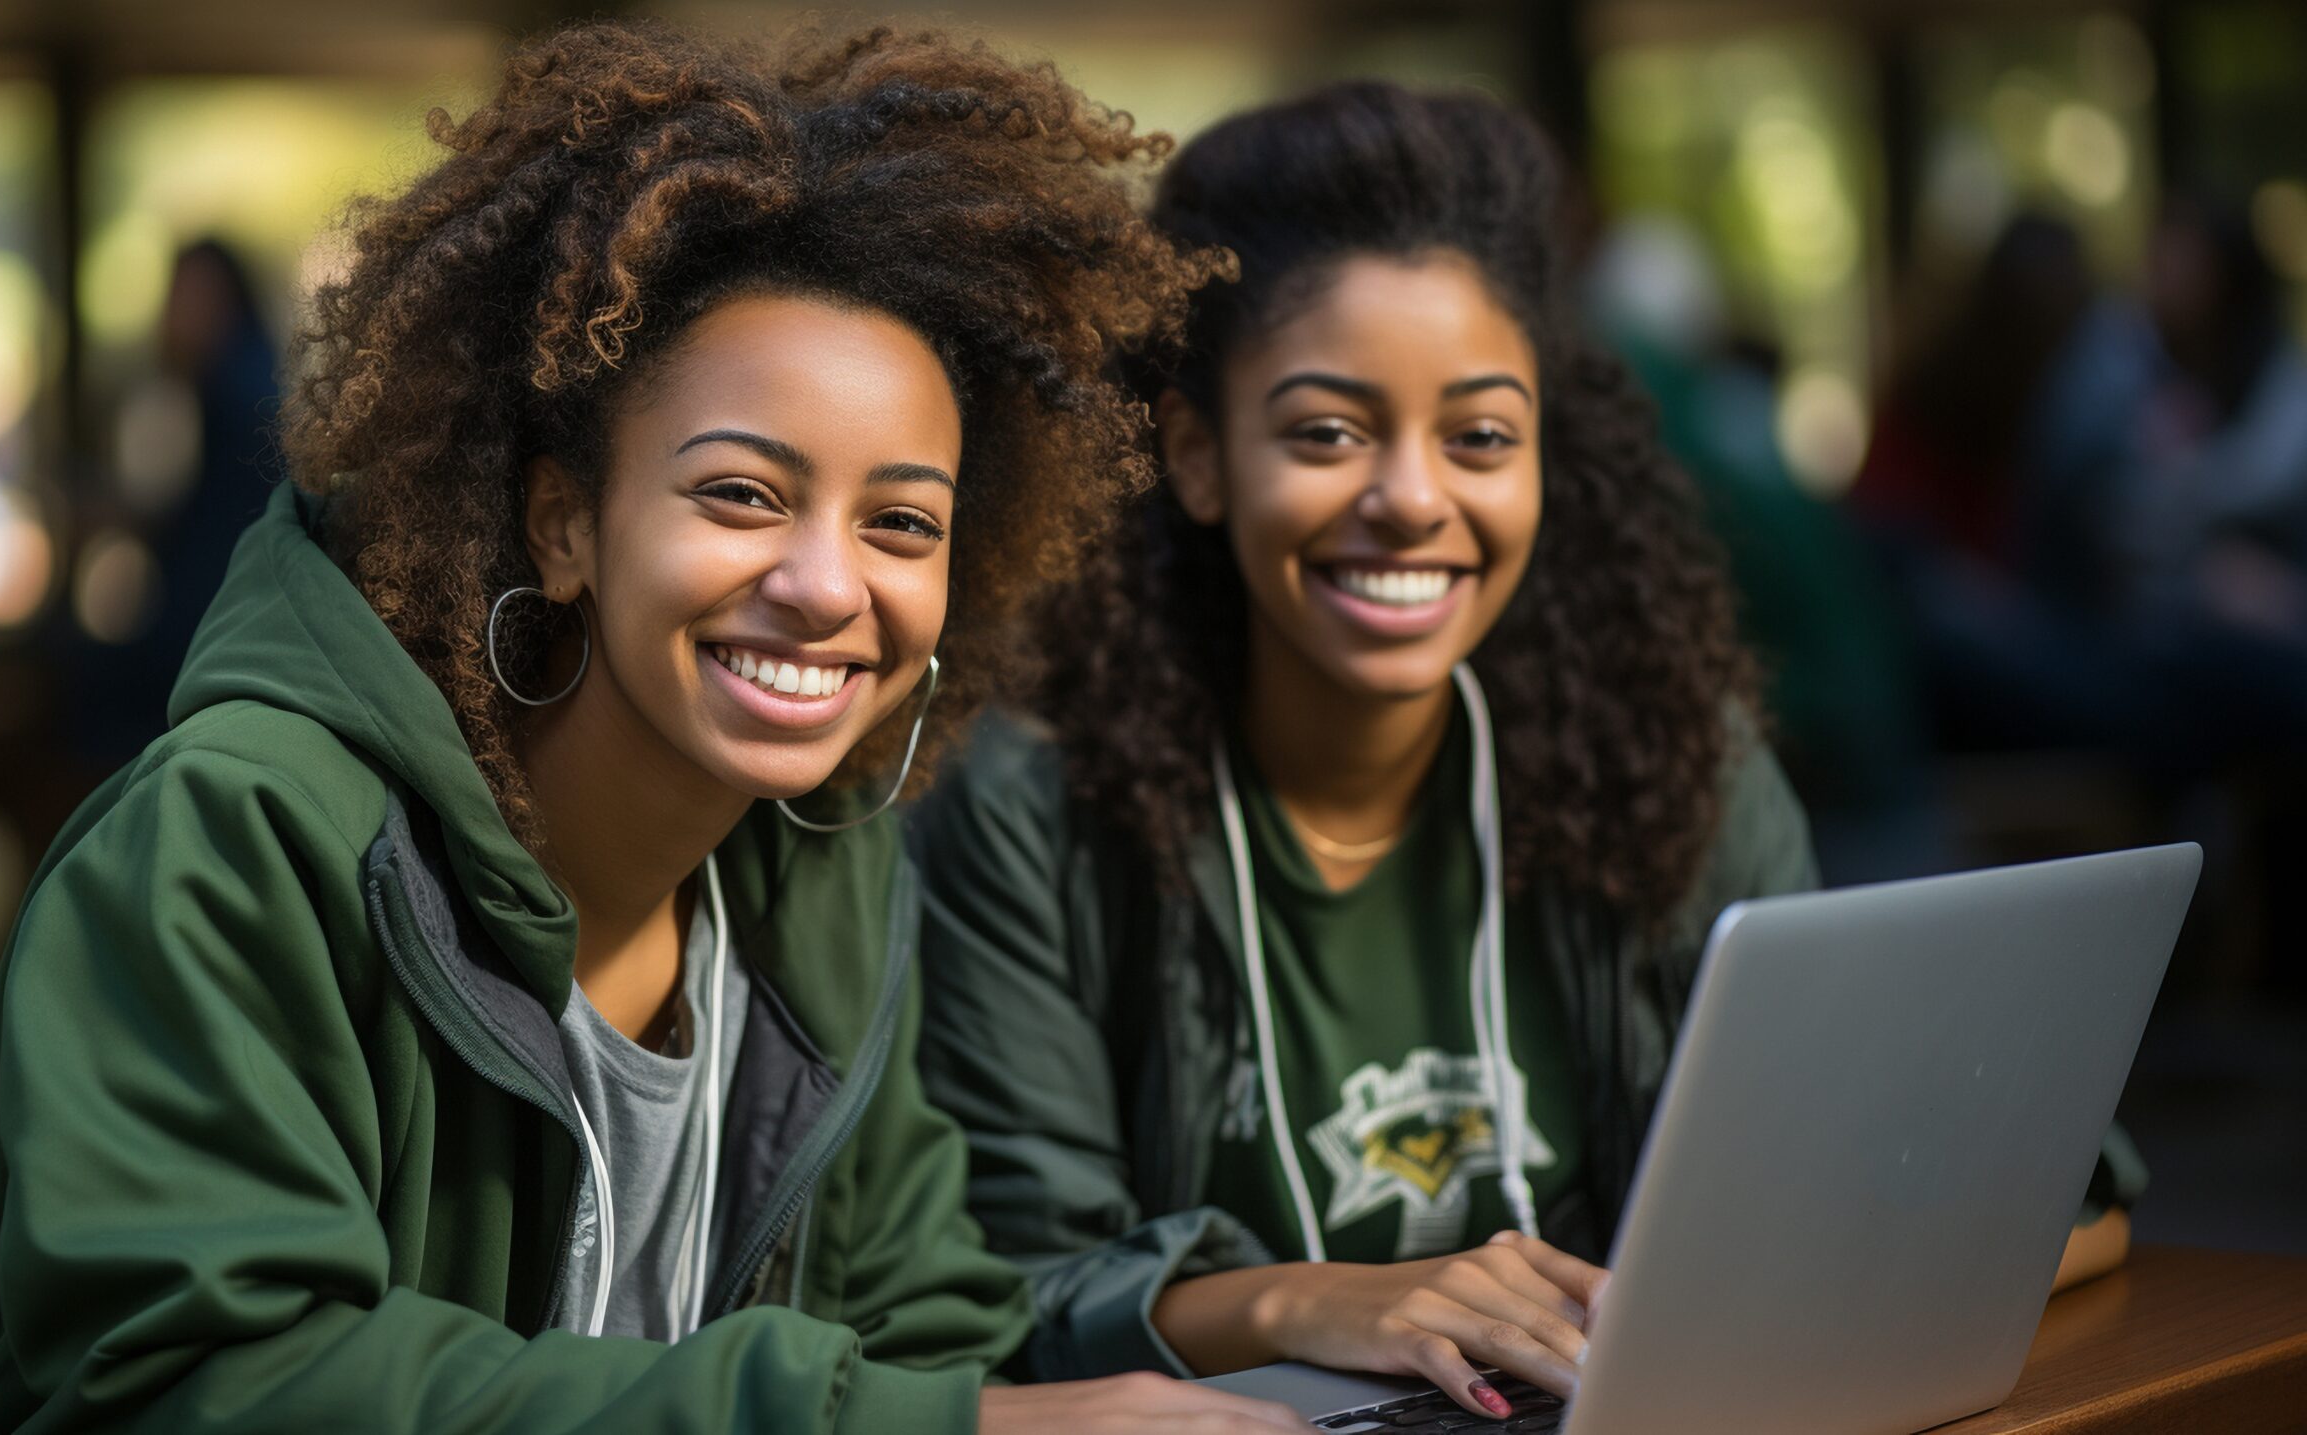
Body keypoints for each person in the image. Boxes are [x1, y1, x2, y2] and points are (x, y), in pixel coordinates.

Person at [0, 22, 1303, 1434]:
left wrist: (1276, 1317)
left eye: (901, 523)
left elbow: (920, 1341)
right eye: (741, 494)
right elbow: (209, 1383)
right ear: (566, 522)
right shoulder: (234, 842)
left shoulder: (818, 874)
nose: (824, 585)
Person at [912, 81, 2139, 1424]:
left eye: (1481, 436)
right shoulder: (1030, 800)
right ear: (1199, 457)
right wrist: (1314, 1298)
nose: (1413, 498)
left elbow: (2042, 1207)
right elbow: (1015, 1293)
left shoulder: (1666, 759)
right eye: (1328, 432)